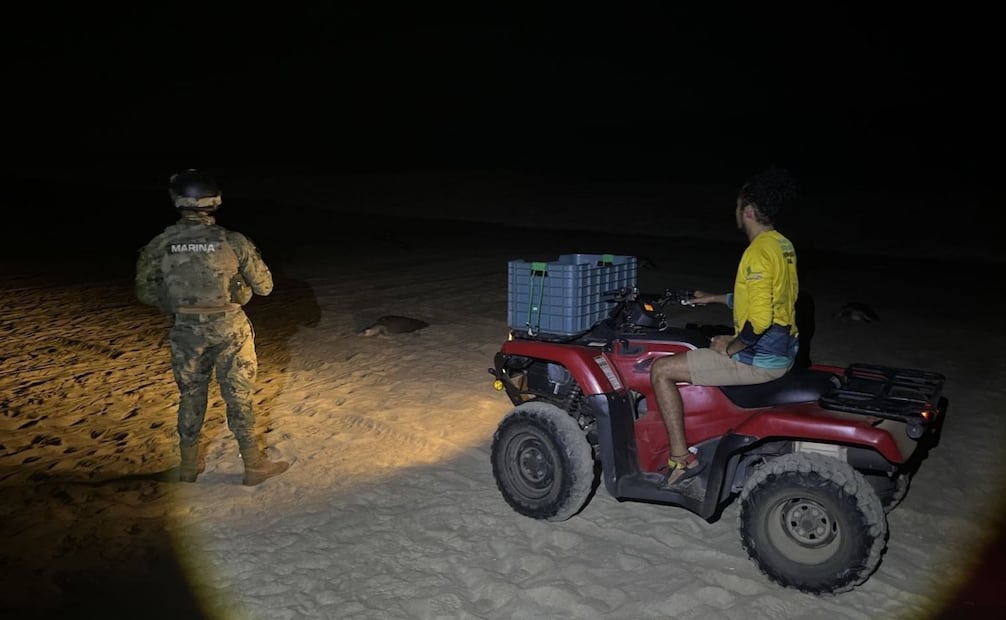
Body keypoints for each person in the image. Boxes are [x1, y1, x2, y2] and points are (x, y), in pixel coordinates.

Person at [135, 169, 290, 486]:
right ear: (215, 201)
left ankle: (188, 467)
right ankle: (253, 465)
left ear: (177, 201)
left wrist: (178, 303)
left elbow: (145, 292)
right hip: (230, 329)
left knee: (191, 396)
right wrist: (238, 290)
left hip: (186, 333)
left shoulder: (160, 244)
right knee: (239, 397)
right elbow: (265, 287)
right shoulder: (232, 241)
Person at [650, 166, 800, 487]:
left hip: (762, 360)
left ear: (747, 211)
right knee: (706, 342)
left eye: (737, 204)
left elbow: (759, 319)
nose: (734, 210)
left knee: (661, 369)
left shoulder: (757, 253)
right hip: (784, 349)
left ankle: (681, 458)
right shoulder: (781, 245)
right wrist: (715, 298)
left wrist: (730, 346)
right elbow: (771, 299)